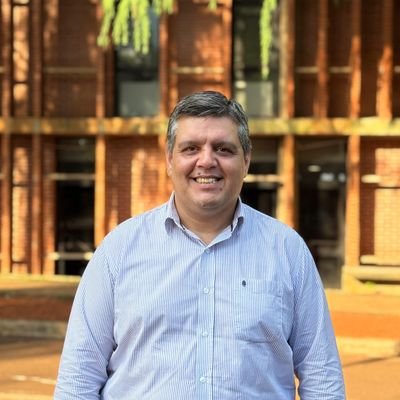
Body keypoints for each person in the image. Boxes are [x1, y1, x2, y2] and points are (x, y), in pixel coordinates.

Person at [54, 91, 345, 399]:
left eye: (223, 149)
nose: (206, 161)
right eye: (191, 148)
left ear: (246, 160)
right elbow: (78, 378)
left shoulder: (287, 251)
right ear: (170, 160)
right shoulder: (119, 250)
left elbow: (322, 377)